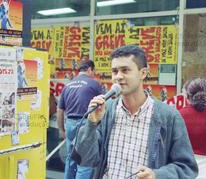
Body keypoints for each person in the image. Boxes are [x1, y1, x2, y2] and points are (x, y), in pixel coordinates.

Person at [72, 45, 198, 179]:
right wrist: (91, 123)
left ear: (143, 73)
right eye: (115, 71)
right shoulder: (106, 110)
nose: (118, 76)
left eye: (125, 70)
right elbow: (86, 159)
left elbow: (187, 168)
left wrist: (157, 175)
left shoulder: (168, 116)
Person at [57, 59, 102, 179]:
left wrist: (61, 129)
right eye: (93, 71)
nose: (94, 74)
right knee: (84, 161)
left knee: (71, 158)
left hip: (70, 124)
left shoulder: (68, 85)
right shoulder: (94, 84)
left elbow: (60, 110)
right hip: (85, 125)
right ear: (89, 69)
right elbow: (103, 105)